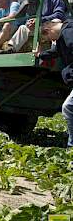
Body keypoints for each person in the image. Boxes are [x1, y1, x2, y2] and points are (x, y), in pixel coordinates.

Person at [38, 19, 73, 148]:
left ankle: (71, 147)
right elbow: (55, 52)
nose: (50, 41)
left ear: (48, 31)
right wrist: (40, 55)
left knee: (68, 108)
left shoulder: (68, 32)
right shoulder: (62, 38)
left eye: (48, 38)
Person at [2, 0, 66, 54]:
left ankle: (53, 50)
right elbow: (30, 17)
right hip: (38, 27)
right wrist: (29, 23)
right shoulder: (34, 3)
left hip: (50, 25)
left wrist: (40, 20)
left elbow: (59, 15)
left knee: (57, 20)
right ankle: (11, 49)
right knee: (23, 27)